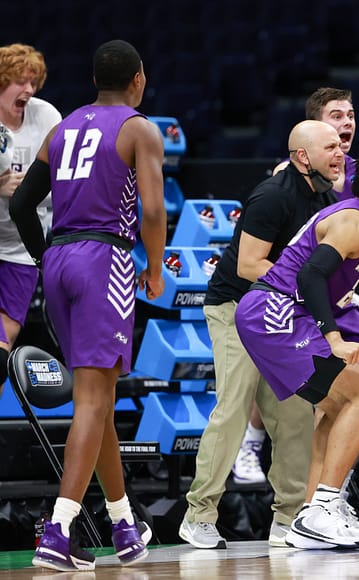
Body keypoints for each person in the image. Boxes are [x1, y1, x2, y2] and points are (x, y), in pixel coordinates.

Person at [10, 39, 165, 571]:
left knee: (95, 401)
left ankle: (123, 525)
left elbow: (22, 203)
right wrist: (156, 265)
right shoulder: (138, 127)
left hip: (58, 263)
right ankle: (58, 531)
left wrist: (47, 257)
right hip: (106, 260)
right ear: (138, 79)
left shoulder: (62, 127)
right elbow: (151, 207)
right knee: (96, 401)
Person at [235, 137, 359, 549]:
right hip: (275, 312)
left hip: (290, 312)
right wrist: (334, 339)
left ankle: (313, 512)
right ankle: (321, 508)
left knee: (350, 400)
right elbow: (309, 277)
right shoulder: (353, 222)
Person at [179, 120, 341, 549]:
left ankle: (289, 520)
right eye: (330, 146)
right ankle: (198, 515)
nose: (341, 151)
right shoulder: (272, 196)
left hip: (279, 311)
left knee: (294, 415)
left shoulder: (327, 198)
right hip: (235, 306)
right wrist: (307, 293)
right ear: (302, 156)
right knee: (233, 405)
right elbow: (250, 265)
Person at [0, 43, 61, 392]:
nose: (29, 89)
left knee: (1, 353)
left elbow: (65, 178)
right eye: (19, 81)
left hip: (22, 249)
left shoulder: (47, 116)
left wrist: (31, 191)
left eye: (33, 81)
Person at [273, 87, 356, 199]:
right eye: (337, 117)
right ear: (316, 124)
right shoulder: (289, 171)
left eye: (351, 116)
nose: (348, 122)